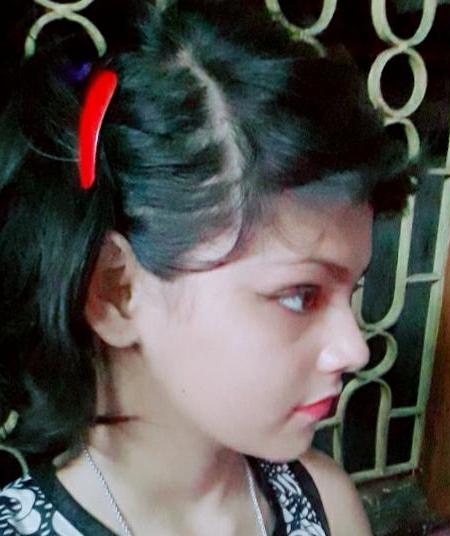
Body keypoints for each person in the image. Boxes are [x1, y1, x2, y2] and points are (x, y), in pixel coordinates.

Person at [0, 1, 414, 534]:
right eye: (300, 295)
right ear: (118, 291)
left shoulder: (325, 504)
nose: (355, 349)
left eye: (351, 291)